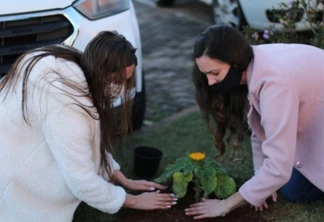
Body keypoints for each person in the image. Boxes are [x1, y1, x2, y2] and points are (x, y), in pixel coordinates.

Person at [0, 31, 177, 221]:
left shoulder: (63, 65)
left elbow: (87, 143)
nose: (120, 88)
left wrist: (124, 180)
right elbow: (81, 181)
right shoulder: (68, 108)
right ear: (99, 70)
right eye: (117, 81)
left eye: (126, 81)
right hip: (10, 173)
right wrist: (132, 200)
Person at [185, 25, 324, 219]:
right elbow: (261, 127)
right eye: (205, 74)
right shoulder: (254, 61)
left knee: (294, 190)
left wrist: (226, 204)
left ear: (234, 63)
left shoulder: (275, 85)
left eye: (215, 73)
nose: (209, 82)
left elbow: (278, 168)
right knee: (278, 176)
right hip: (316, 113)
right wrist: (260, 177)